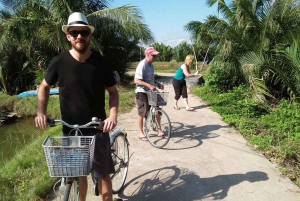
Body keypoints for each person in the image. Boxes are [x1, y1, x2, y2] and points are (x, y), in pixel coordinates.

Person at [35, 12, 119, 201]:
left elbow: (113, 92)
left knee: (102, 174)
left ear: (90, 35)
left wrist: (112, 116)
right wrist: (41, 112)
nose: (79, 36)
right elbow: (44, 87)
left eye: (83, 32)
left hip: (97, 129)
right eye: (74, 32)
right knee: (80, 174)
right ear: (68, 36)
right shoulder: (59, 62)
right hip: (71, 131)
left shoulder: (100, 62)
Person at [134, 47, 165, 141]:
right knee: (142, 112)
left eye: (156, 55)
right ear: (147, 55)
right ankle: (141, 133)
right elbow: (136, 80)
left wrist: (158, 84)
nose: (155, 57)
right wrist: (149, 85)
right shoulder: (142, 65)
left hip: (151, 91)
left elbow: (150, 78)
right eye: (153, 55)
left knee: (158, 111)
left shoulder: (151, 65)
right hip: (142, 92)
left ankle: (159, 129)